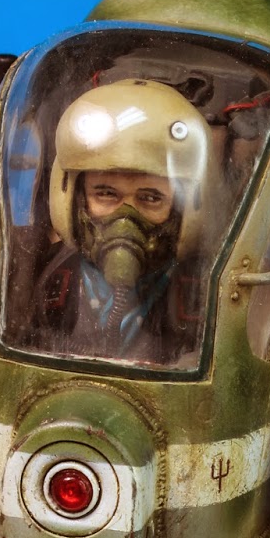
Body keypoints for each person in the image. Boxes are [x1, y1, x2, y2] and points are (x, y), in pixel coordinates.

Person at [33, 79, 211, 363]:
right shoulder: (29, 276)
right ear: (73, 199)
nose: (126, 218)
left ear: (183, 210)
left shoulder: (211, 298)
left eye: (151, 198)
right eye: (105, 194)